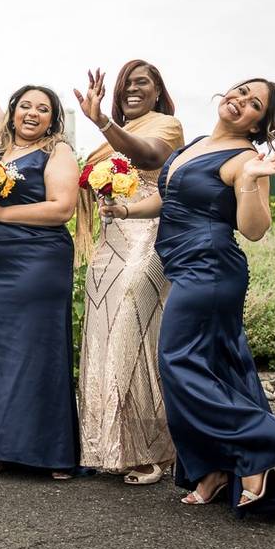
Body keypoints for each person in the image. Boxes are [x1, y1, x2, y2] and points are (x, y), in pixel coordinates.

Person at [100, 78, 275, 527]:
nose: (240, 101)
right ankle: (215, 468)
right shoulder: (197, 144)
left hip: (209, 270)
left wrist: (251, 183)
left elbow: (253, 229)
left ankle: (257, 449)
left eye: (254, 103)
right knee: (218, 366)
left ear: (262, 123)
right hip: (187, 267)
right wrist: (124, 210)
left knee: (178, 364)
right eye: (240, 91)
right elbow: (169, 199)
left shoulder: (244, 159)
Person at [0, 25, 81, 479]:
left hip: (38, 261)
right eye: (26, 105)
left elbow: (62, 208)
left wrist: (0, 215)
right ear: (13, 112)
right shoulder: (0, 145)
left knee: (37, 350)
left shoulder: (58, 152)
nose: (32, 113)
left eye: (43, 109)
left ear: (53, 119)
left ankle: (50, 452)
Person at [72, 61, 185, 483]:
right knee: (100, 339)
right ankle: (105, 447)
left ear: (158, 91)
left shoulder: (166, 126)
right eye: (126, 85)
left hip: (149, 237)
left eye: (142, 83)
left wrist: (101, 120)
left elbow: (148, 156)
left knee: (132, 336)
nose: (133, 90)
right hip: (108, 243)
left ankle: (149, 450)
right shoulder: (108, 141)